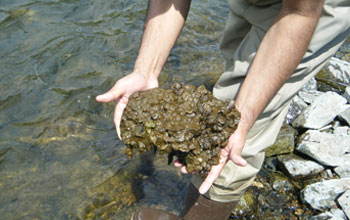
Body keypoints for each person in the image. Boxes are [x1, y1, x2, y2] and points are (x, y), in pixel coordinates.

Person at [96, 0, 350, 219]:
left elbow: (299, 14)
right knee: (237, 55)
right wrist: (146, 70)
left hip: (307, 9)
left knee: (234, 130)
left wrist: (241, 119)